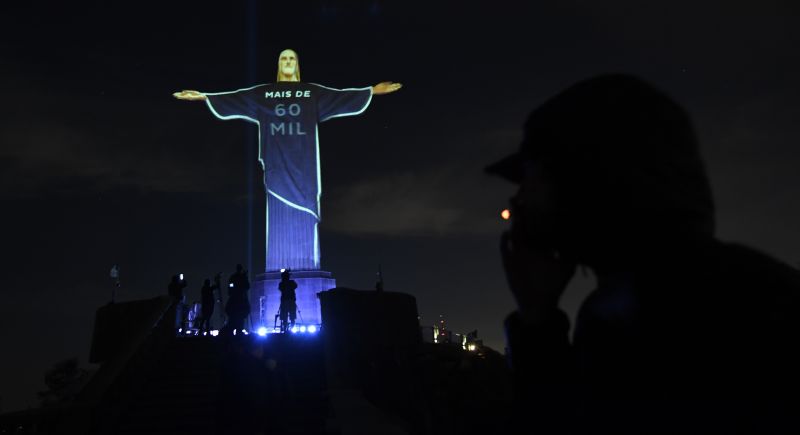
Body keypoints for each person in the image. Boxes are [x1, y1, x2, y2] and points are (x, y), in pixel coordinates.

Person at [486, 74, 800, 434]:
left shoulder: (694, 311)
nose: (518, 200)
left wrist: (538, 327)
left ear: (589, 177)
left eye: (533, 178)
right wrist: (538, 318)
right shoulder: (687, 292)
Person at [174, 49, 402, 272]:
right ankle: (281, 264)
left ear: (297, 64)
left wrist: (370, 91)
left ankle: (306, 265)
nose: (288, 61)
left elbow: (340, 95)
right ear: (278, 64)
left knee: (306, 211)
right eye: (284, 58)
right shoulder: (264, 93)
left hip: (306, 168)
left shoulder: (311, 92)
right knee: (277, 211)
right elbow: (237, 96)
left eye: (292, 58)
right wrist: (205, 96)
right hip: (277, 167)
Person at [225, 264, 251, 333]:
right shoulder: (239, 277)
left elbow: (231, 286)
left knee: (237, 316)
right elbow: (247, 286)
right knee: (239, 316)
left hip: (236, 298)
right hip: (239, 298)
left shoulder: (234, 277)